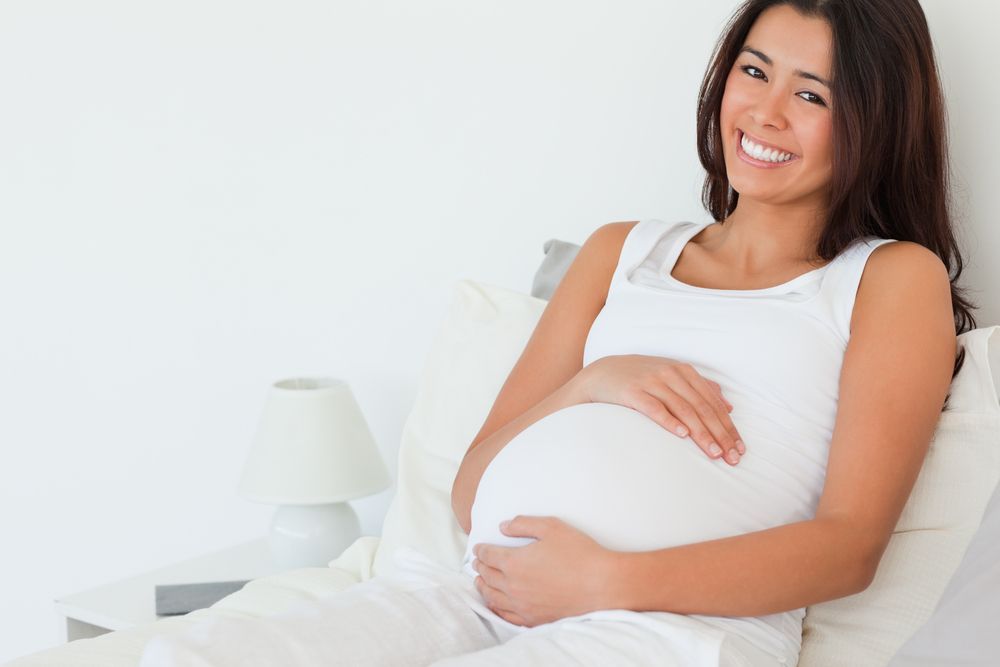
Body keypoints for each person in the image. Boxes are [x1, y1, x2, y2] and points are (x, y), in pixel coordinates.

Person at [140, 1, 972, 665]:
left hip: (670, 631)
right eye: (754, 70)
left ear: (871, 121)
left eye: (812, 93)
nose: (765, 110)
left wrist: (610, 580)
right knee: (188, 653)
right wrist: (590, 384)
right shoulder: (621, 250)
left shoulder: (890, 278)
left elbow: (848, 547)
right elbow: (470, 493)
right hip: (475, 592)